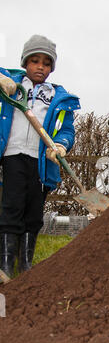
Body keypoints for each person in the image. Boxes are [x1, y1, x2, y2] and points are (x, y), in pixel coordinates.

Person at [0, 34, 80, 280]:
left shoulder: (58, 97)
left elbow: (66, 130)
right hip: (13, 155)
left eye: (46, 63)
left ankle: (25, 265)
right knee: (12, 207)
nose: (40, 67)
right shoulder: (13, 83)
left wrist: (61, 145)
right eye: (34, 61)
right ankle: (5, 266)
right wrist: (3, 80)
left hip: (41, 161)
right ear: (25, 63)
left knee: (33, 212)